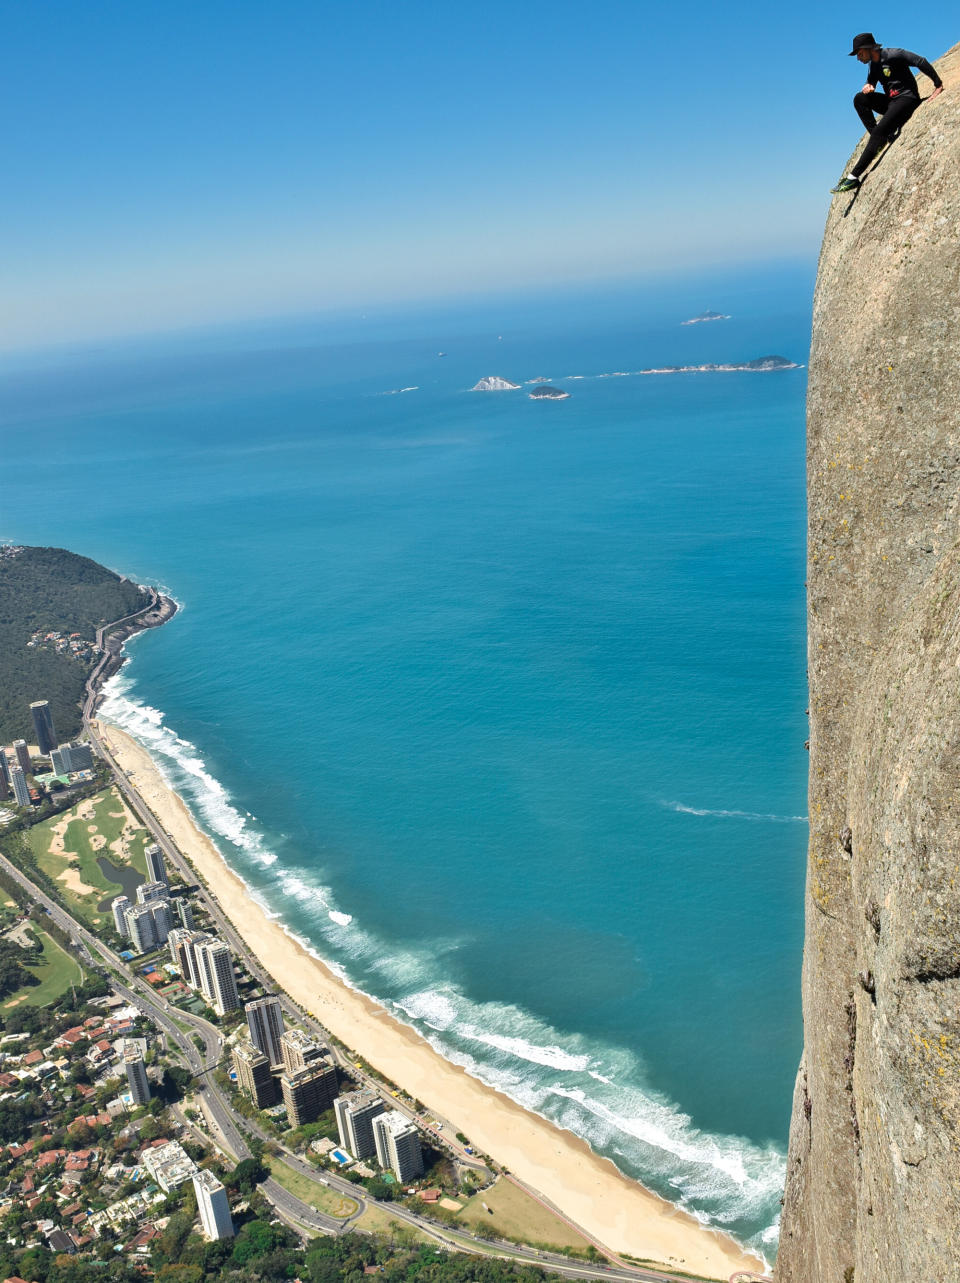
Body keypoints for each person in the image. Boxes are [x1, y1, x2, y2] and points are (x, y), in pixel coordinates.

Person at [831, 33, 943, 193]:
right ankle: (879, 139)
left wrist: (938, 85)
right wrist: (869, 86)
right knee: (859, 99)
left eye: (859, 53)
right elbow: (871, 81)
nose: (858, 58)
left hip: (907, 100)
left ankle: (853, 177)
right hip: (892, 103)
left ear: (868, 49)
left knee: (880, 130)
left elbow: (920, 61)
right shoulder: (873, 65)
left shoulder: (894, 54)